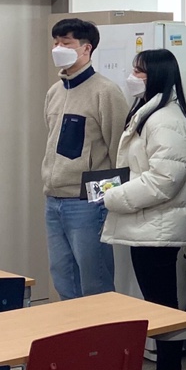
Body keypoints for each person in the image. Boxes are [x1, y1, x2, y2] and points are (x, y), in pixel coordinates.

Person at [101, 49, 186, 370]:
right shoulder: (149, 111)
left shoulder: (163, 119)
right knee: (159, 302)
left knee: (162, 304)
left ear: (157, 75)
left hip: (157, 226)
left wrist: (113, 197)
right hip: (148, 225)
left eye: (139, 71)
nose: (132, 76)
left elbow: (163, 180)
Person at [42, 17, 128, 301]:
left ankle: (105, 330)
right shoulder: (54, 92)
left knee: (95, 281)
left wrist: (106, 199)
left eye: (65, 43)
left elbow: (120, 150)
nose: (57, 48)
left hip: (88, 202)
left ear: (86, 48)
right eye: (55, 43)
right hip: (54, 199)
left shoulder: (106, 91)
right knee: (63, 278)